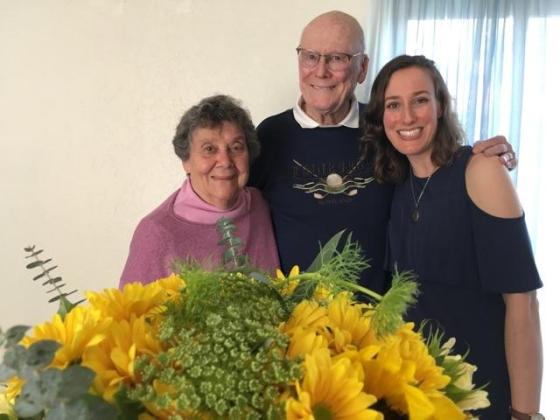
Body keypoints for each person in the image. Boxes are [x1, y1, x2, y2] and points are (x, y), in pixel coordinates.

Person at [249, 10, 515, 294]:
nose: (321, 71)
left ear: (362, 68)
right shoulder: (270, 135)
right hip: (293, 315)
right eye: (311, 56)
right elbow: (234, 207)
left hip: (382, 313)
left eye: (337, 58)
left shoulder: (386, 126)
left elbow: (435, 164)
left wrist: (481, 159)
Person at [361, 54, 543, 419]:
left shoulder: (480, 170)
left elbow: (523, 304)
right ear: (382, 116)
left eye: (420, 100)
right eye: (393, 105)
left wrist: (526, 415)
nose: (407, 117)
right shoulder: (397, 183)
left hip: (479, 392)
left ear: (440, 105)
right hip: (416, 392)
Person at [120, 95, 279, 287]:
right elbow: (132, 305)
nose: (225, 161)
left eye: (236, 147)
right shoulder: (156, 233)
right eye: (209, 149)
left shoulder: (260, 205)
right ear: (186, 160)